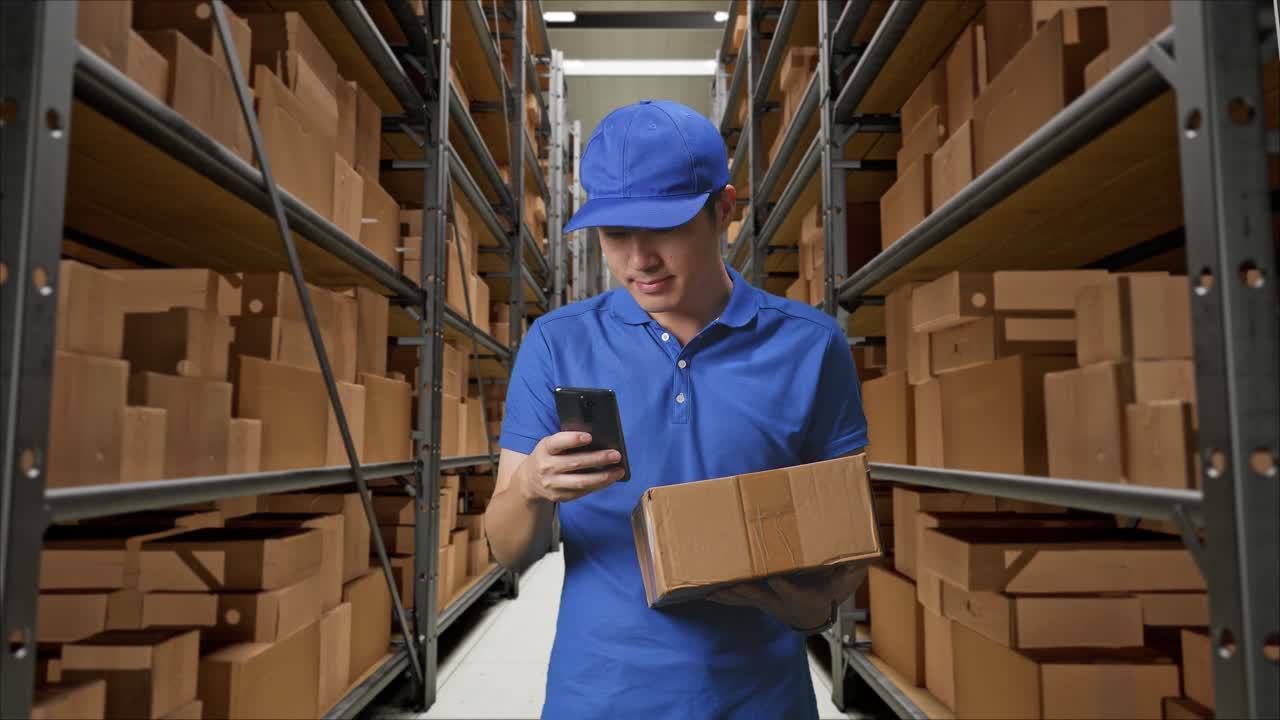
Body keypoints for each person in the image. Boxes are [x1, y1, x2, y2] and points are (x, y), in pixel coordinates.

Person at [484, 99, 869, 719]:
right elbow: (506, 551)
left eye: (663, 228)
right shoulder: (558, 344)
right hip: (600, 698)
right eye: (615, 234)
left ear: (724, 210)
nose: (639, 260)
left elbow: (843, 547)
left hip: (760, 699)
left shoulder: (811, 346)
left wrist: (806, 607)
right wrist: (530, 486)